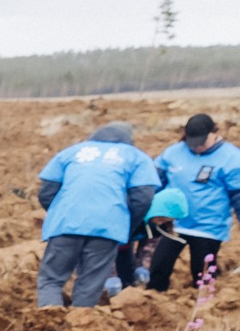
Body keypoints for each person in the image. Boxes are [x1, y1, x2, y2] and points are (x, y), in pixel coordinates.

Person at [36, 122, 160, 307]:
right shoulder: (137, 157)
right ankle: (80, 321)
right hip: (108, 227)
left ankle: (49, 318)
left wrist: (62, 213)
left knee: (51, 279)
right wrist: (126, 223)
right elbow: (143, 197)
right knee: (90, 283)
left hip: (67, 224)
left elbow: (46, 192)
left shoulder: (71, 152)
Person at [150, 113, 240, 293]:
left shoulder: (233, 159)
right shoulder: (173, 153)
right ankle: (152, 300)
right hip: (174, 224)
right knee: (159, 267)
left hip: (208, 227)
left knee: (202, 272)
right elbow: (154, 183)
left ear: (215, 133)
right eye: (192, 143)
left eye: (201, 143)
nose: (197, 147)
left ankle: (205, 302)